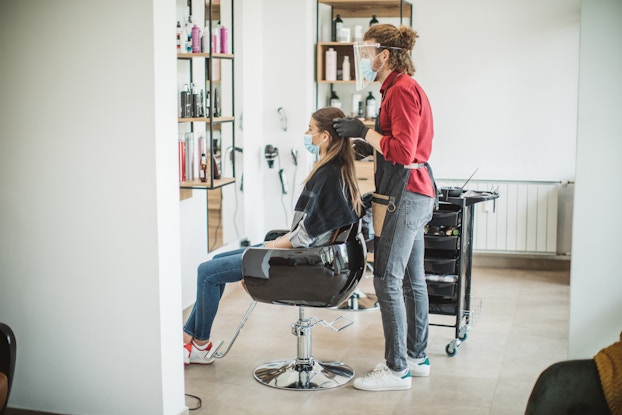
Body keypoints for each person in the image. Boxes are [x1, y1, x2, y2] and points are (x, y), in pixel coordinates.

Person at [183, 107, 363, 365]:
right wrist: (271, 244)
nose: (305, 134)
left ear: (324, 137)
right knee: (216, 263)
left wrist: (269, 246)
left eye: (310, 129)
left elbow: (303, 238)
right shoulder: (334, 168)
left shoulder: (328, 175)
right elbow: (307, 230)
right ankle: (191, 336)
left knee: (206, 272)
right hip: (304, 253)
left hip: (302, 259)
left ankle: (199, 345)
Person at [333, 24, 436, 391]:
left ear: (385, 55)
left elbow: (404, 151)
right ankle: (416, 357)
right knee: (411, 278)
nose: (364, 60)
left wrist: (363, 131)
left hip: (407, 195)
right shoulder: (396, 89)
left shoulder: (402, 91)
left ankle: (396, 370)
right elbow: (393, 143)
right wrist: (369, 143)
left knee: (387, 279)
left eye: (366, 54)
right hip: (415, 192)